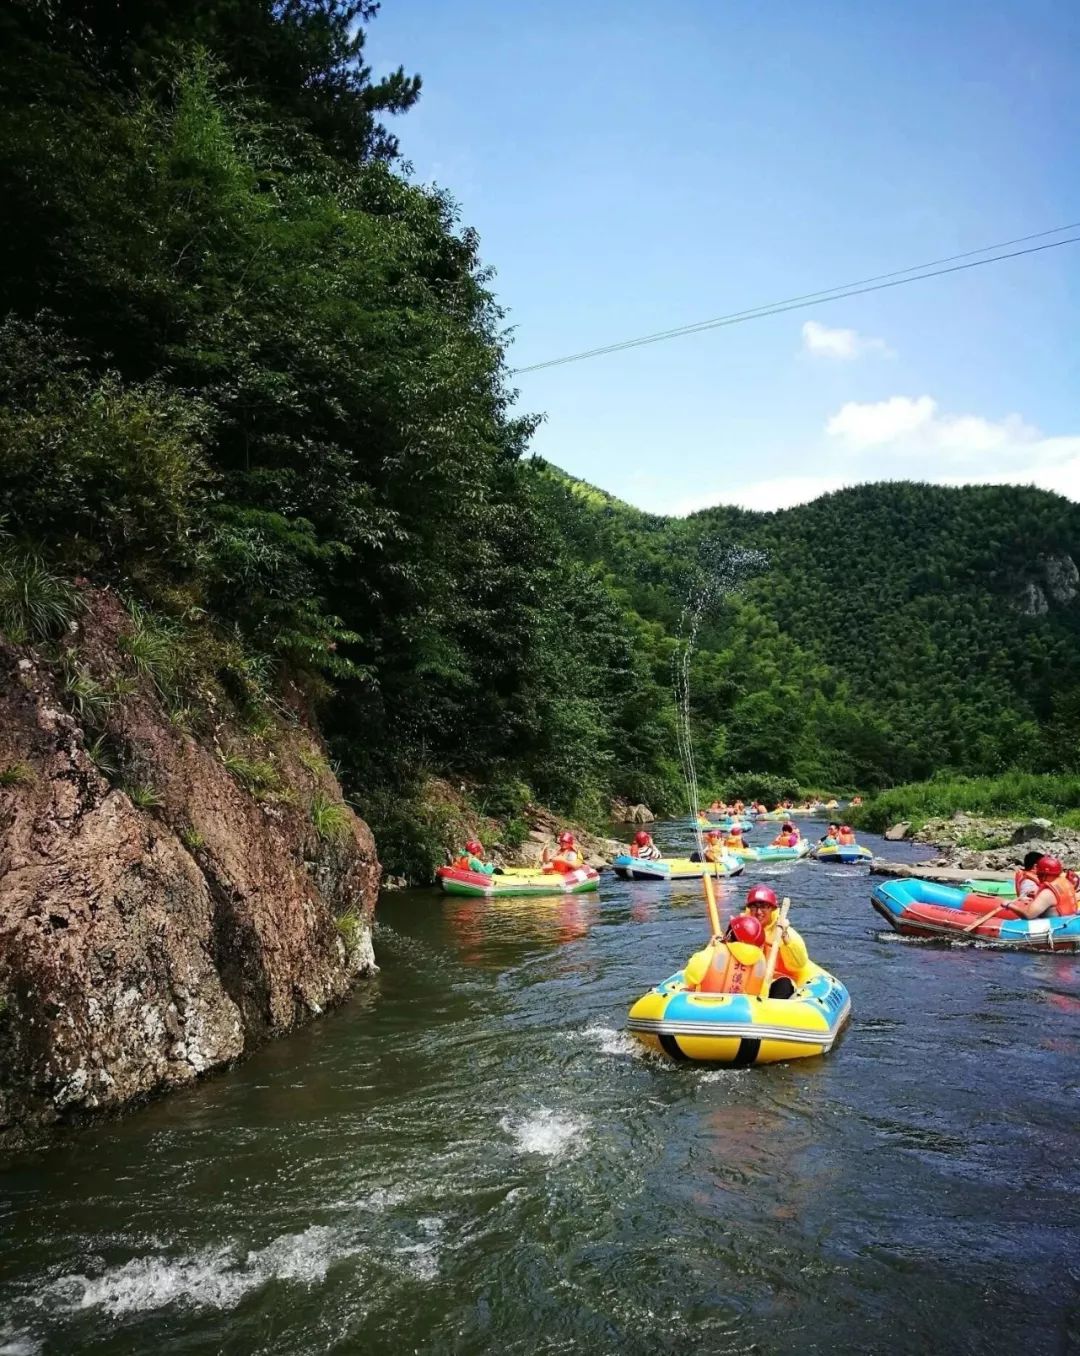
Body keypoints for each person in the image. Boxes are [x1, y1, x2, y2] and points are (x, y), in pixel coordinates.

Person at [742, 883, 811, 997]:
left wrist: (785, 937)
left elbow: (799, 964)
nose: (758, 912)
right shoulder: (740, 927)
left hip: (775, 981)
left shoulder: (784, 932)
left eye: (764, 906)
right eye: (754, 907)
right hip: (747, 981)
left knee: (784, 985)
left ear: (772, 909)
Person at [683, 914, 766, 995]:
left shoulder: (710, 954)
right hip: (745, 1008)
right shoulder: (763, 964)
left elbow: (689, 978)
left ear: (729, 936)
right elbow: (763, 994)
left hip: (707, 1005)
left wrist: (709, 948)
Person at [1006, 855, 1077, 920]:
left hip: (1054, 926)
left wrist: (1009, 905)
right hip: (1069, 919)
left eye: (1039, 874)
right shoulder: (1065, 881)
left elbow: (1028, 915)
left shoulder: (1047, 893)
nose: (1038, 876)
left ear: (1045, 874)